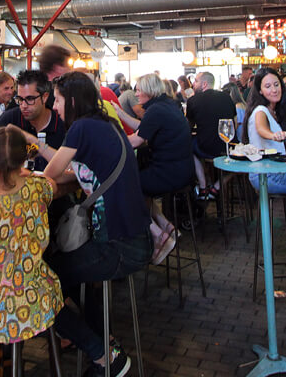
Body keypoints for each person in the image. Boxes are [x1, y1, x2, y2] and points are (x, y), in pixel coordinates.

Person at [25, 72, 149, 377]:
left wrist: (31, 144)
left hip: (117, 246)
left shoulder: (80, 128)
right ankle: (103, 341)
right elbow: (78, 170)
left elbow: (53, 171)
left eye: (57, 100)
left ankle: (103, 356)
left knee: (37, 284)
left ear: (73, 100)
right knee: (61, 273)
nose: (54, 107)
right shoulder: (104, 124)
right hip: (133, 239)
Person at [0, 126, 62, 345]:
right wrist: (27, 175)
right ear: (25, 157)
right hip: (39, 297)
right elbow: (52, 185)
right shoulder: (38, 188)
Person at [243, 67, 286, 264]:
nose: (274, 89)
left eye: (276, 84)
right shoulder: (261, 111)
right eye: (268, 86)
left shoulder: (275, 111)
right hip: (267, 175)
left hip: (276, 170)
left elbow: (275, 146)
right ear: (260, 91)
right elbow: (261, 128)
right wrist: (273, 135)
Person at [130, 73, 195, 264]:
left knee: (128, 187)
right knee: (141, 185)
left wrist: (110, 142)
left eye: (139, 89)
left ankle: (158, 234)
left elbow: (137, 139)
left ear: (149, 91)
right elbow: (144, 129)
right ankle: (167, 226)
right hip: (183, 170)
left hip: (170, 173)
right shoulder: (166, 105)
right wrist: (119, 114)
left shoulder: (156, 110)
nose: (136, 93)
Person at [0, 70, 66, 171]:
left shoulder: (61, 124)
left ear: (45, 97)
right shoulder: (11, 117)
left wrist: (28, 138)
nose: (24, 106)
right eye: (20, 99)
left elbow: (70, 167)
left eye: (30, 99)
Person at [184, 72, 237, 198]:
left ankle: (203, 186)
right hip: (229, 147)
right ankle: (217, 186)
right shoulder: (227, 97)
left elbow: (188, 126)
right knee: (240, 161)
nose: (193, 84)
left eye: (195, 81)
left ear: (204, 84)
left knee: (188, 147)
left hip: (206, 148)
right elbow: (235, 123)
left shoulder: (193, 100)